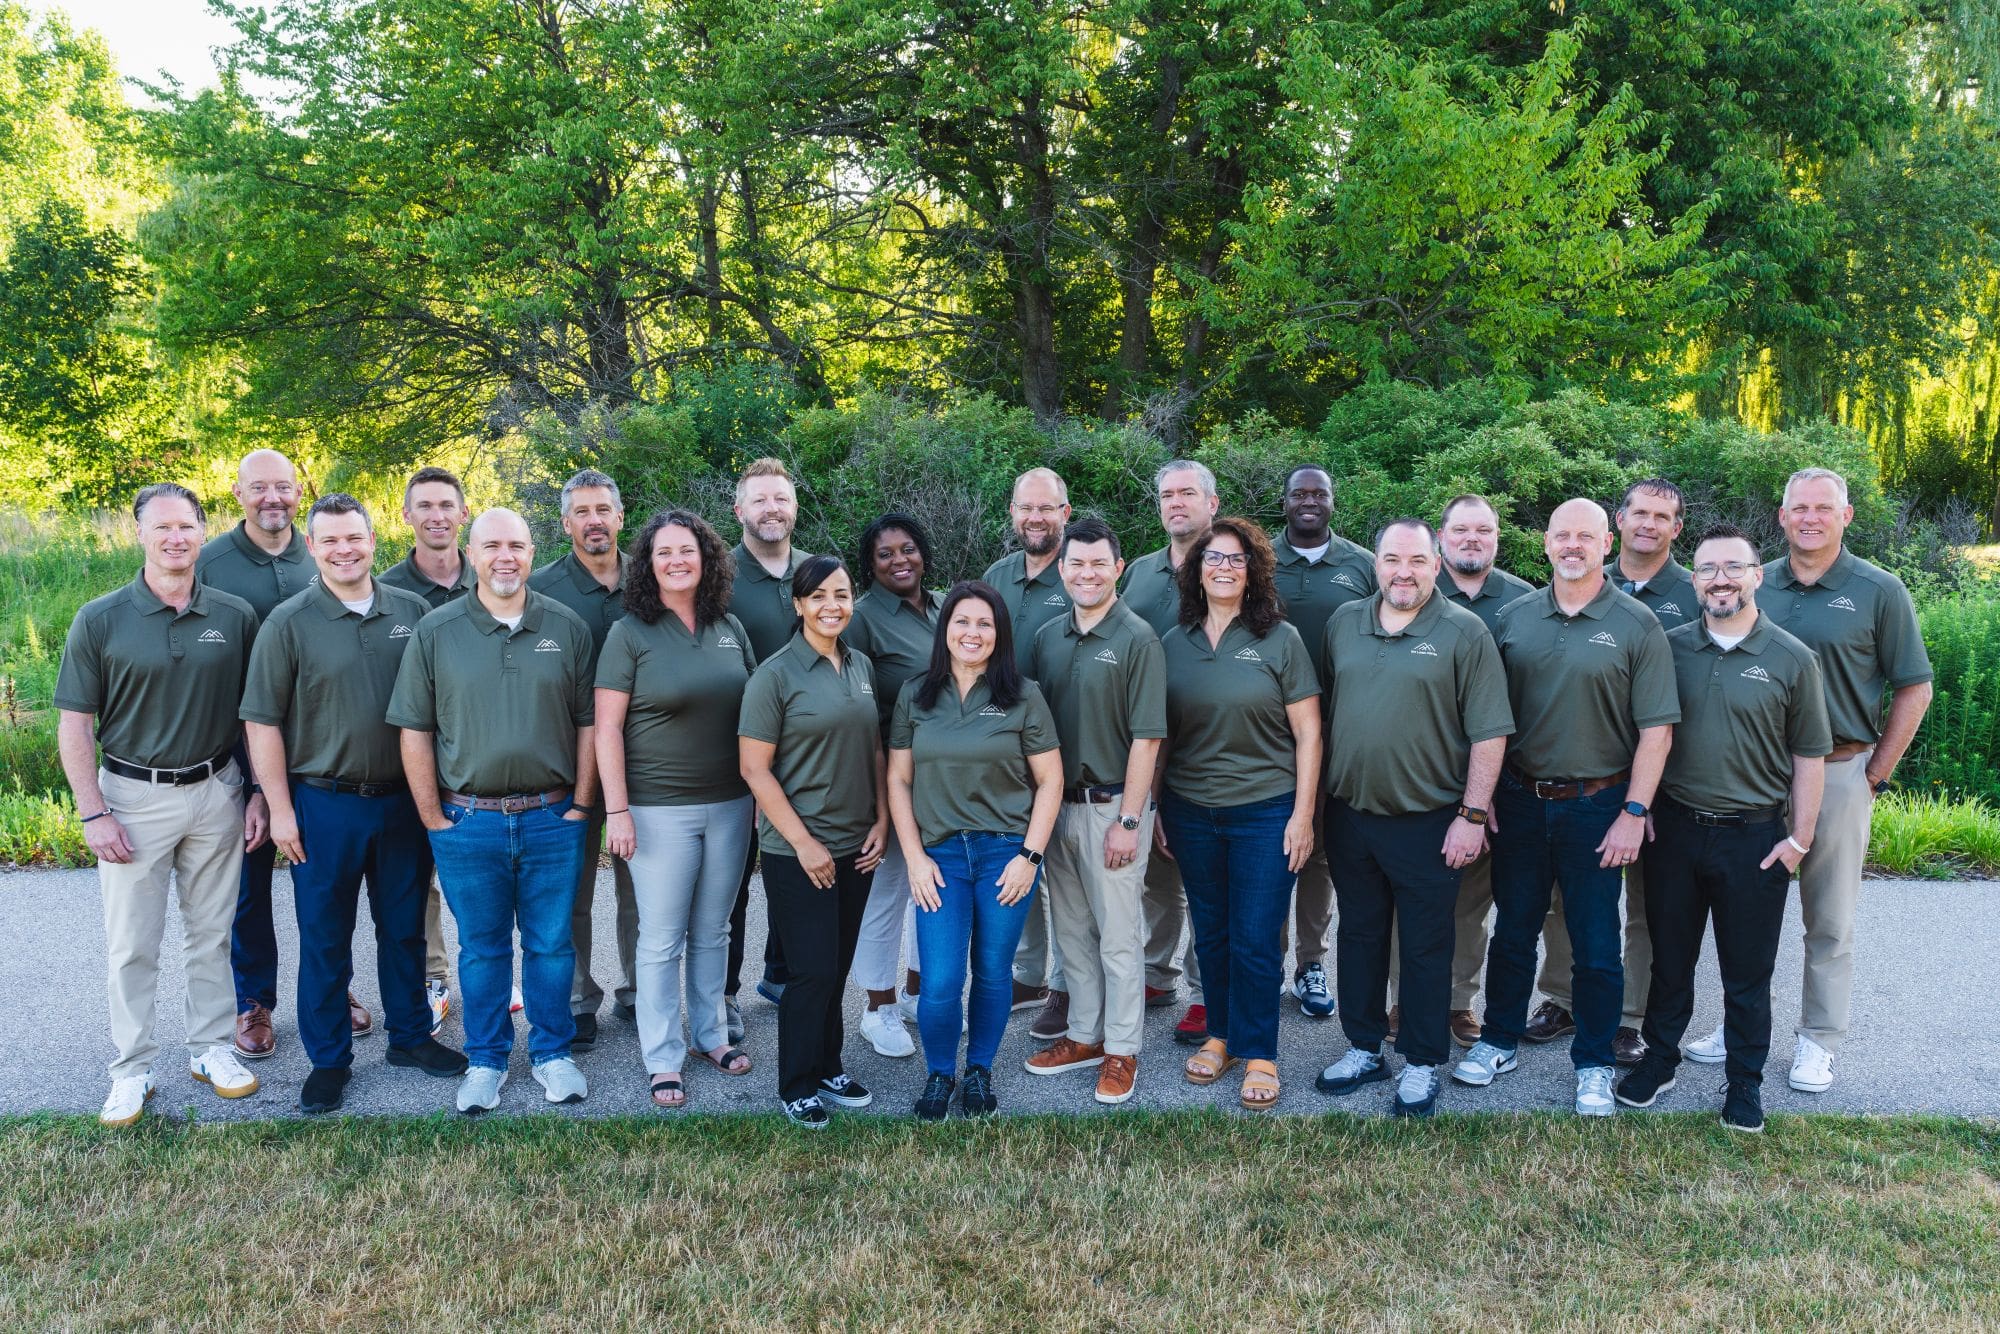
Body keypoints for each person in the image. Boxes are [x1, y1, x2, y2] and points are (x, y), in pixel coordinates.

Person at [1684, 467, 1932, 1093]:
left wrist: (1873, 776)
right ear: (1782, 516)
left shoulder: (1879, 590)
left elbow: (1915, 687)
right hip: (1754, 777)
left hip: (1840, 771)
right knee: (1742, 914)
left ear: (1846, 516)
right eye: (1799, 508)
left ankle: (1819, 1038)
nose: (1811, 518)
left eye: (1824, 507)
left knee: (1828, 917)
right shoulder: (1753, 579)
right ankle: (1741, 1026)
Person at [239, 494, 469, 1114]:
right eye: (331, 541)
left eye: (354, 538)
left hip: (402, 802)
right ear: (312, 547)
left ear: (372, 541)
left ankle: (411, 1037)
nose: (344, 550)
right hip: (323, 804)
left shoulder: (412, 612)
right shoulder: (288, 623)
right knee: (324, 937)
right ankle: (329, 1060)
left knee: (404, 929)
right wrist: (279, 809)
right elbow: (261, 722)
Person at [1455, 499, 1679, 1116]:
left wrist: (1634, 811)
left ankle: (1594, 1062)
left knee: (1596, 943)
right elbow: (1485, 719)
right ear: (1547, 543)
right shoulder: (1514, 618)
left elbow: (1657, 731)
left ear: (1607, 543)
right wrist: (1482, 798)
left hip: (1599, 805)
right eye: (1562, 535)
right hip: (1521, 801)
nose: (1573, 545)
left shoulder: (1636, 624)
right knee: (1513, 931)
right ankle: (1498, 1041)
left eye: (1586, 535)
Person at [57, 483, 266, 1125]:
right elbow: (74, 724)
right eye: (162, 527)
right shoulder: (101, 618)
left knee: (212, 934)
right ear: (140, 534)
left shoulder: (235, 616)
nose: (176, 538)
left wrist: (258, 791)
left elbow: (256, 717)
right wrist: (93, 812)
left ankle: (210, 1048)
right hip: (132, 798)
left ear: (203, 533)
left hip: (217, 791)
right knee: (132, 944)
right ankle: (132, 1068)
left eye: (187, 527)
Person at [1614, 524, 1830, 1132]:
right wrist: (1640, 807)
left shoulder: (1792, 658)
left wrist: (1799, 840)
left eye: (1734, 567)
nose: (1720, 579)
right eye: (1707, 569)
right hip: (1675, 832)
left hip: (1753, 838)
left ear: (1757, 576)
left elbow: (1809, 757)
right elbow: (1646, 735)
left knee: (1746, 973)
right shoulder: (1668, 647)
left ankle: (1744, 1082)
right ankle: (1660, 1061)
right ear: (1695, 581)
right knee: (1670, 961)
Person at [387, 508, 597, 1114]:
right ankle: (486, 1059)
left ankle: (552, 1053)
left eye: (517, 546)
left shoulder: (566, 626)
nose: (506, 557)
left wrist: (582, 805)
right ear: (472, 553)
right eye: (492, 546)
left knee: (552, 944)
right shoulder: (437, 630)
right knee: (481, 948)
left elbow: (589, 725)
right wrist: (433, 817)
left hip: (552, 816)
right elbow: (415, 729)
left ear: (532, 552)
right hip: (467, 820)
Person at [1313, 519, 1512, 1118]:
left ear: (1437, 565)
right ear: (1375, 564)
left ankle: (1422, 1061)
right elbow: (1327, 712)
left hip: (1430, 820)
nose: (1404, 573)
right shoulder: (1344, 622)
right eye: (1393, 560)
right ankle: (1364, 1047)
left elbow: (1490, 732)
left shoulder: (1464, 631)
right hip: (1351, 814)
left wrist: (1471, 815)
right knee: (1359, 935)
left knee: (1426, 945)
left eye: (1418, 561)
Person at [194, 449, 367, 1057]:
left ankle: (332, 991)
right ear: (237, 494)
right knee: (250, 885)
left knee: (326, 886)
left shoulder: (324, 551)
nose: (273, 498)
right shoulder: (210, 563)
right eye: (259, 487)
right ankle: (253, 1000)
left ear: (300, 493)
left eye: (283, 486)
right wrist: (252, 783)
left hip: (320, 751)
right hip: (239, 750)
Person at [595, 510, 759, 1110]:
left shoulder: (729, 626)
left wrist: (761, 795)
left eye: (686, 550)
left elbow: (755, 712)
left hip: (732, 803)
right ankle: (662, 1056)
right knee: (662, 938)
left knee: (714, 929)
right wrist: (617, 810)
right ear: (648, 564)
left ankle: (710, 1035)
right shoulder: (629, 633)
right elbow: (606, 730)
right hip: (657, 808)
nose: (676, 561)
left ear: (706, 557)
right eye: (663, 552)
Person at [1159, 517, 1322, 1110]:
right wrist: (1156, 805)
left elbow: (1309, 734)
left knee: (1255, 937)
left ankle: (1260, 1053)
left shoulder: (1280, 638)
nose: (1224, 568)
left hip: (1265, 810)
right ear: (1196, 570)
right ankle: (1221, 1036)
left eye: (1236, 559)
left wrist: (1302, 815)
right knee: (1212, 931)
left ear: (1253, 571)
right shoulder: (1174, 641)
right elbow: (1162, 734)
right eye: (1213, 558)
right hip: (1190, 810)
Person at [1529, 479, 1694, 1064]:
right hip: (1589, 779)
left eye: (1662, 516)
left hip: (1667, 773)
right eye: (1639, 513)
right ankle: (1562, 997)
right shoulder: (1582, 581)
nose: (1648, 524)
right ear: (1617, 524)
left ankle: (1629, 1016)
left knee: (1647, 903)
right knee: (1566, 897)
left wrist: (1643, 800)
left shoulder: (1695, 590)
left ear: (1677, 528)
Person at [889, 581, 1064, 1119]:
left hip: (1004, 855)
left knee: (992, 971)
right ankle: (941, 1073)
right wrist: (914, 858)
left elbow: (1050, 780)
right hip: (939, 856)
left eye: (984, 623)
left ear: (999, 634)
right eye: (962, 621)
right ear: (945, 629)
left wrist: (1029, 858)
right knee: (941, 980)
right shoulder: (916, 694)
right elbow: (898, 780)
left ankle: (980, 1071)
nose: (972, 632)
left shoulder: (1023, 695)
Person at [737, 555, 889, 1128]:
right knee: (811, 971)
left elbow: (875, 750)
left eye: (842, 594)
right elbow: (754, 769)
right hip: (798, 850)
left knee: (837, 965)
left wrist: (881, 821)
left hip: (857, 846)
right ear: (798, 604)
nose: (832, 605)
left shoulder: (860, 664)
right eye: (819, 595)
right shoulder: (773, 676)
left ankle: (828, 1065)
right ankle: (797, 1083)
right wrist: (803, 842)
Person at [1021, 519, 1166, 1105]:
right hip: (1057, 808)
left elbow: (1147, 739)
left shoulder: (1138, 639)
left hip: (1113, 809)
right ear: (1062, 570)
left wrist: (1129, 821)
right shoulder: (1048, 638)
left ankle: (1122, 1049)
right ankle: (1084, 1035)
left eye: (1098, 563)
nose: (1087, 574)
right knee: (1073, 932)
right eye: (1077, 564)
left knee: (1119, 938)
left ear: (1118, 568)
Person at [1387, 493, 1536, 1044]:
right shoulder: (1411, 593)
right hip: (1426, 777)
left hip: (1501, 778)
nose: (1472, 539)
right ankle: (1405, 1002)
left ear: (1498, 537)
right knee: (1411, 902)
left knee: (1472, 903)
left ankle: (1457, 1003)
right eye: (1461, 530)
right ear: (1440, 539)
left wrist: (1487, 790)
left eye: (1484, 530)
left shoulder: (1524, 602)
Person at [528, 468, 637, 1052]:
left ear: (620, 516)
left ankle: (641, 991)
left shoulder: (652, 580)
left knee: (640, 889)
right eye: (582, 512)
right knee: (568, 893)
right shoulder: (541, 590)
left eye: (603, 510)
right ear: (566, 522)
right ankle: (576, 1001)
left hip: (643, 762)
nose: (594, 521)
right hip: (565, 764)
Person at [1270, 464, 1376, 1022]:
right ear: (1284, 502)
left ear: (1334, 501)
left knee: (1317, 855)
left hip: (1337, 733)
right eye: (1299, 493)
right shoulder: (1259, 560)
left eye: (1320, 493)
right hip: (1264, 734)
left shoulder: (1363, 565)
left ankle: (1311, 963)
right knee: (1270, 852)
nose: (1309, 501)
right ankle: (1268, 963)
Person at [1118, 459, 1220, 1045]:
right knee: (1158, 874)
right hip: (1149, 744)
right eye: (1166, 495)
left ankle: (1207, 991)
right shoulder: (1140, 574)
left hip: (1213, 741)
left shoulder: (1231, 564)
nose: (1176, 503)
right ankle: (1158, 974)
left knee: (1207, 878)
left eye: (1187, 493)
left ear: (1212, 502)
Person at [844, 512, 945, 1060]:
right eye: (885, 554)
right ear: (870, 565)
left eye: (908, 548)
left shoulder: (945, 607)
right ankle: (876, 1007)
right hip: (890, 778)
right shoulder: (861, 620)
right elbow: (853, 706)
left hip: (947, 779)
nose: (899, 560)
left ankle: (915, 994)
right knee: (886, 894)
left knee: (933, 889)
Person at [377, 465, 475, 1032]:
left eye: (446, 505)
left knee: (484, 870)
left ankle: (486, 970)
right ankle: (434, 976)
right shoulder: (387, 590)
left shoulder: (492, 574)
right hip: (414, 758)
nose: (436, 516)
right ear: (406, 515)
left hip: (476, 758)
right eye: (425, 506)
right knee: (421, 878)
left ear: (463, 513)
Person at [983, 468, 1075, 1042]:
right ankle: (1029, 975)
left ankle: (1066, 986)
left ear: (1065, 512)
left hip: (1066, 749)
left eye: (1046, 508)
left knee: (1062, 875)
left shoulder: (1079, 571)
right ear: (1013, 513)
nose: (1035, 517)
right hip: (1004, 754)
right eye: (1026, 508)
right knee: (1018, 865)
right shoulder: (997, 576)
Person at [726, 458, 811, 1035]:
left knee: (797, 868)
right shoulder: (720, 576)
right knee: (733, 886)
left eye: (780, 498)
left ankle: (780, 975)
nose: (771, 509)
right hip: (740, 757)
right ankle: (724, 993)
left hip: (807, 759)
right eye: (759, 500)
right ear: (740, 511)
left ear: (794, 507)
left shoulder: (815, 571)